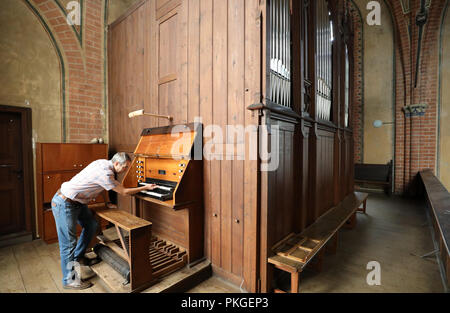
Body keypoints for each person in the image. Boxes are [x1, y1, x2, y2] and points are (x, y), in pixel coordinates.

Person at [51, 152, 157, 290]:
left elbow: (100, 186)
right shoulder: (105, 174)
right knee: (68, 243)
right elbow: (124, 191)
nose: (125, 171)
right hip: (65, 203)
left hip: (77, 202)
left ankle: (78, 257)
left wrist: (107, 202)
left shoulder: (102, 163)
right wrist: (146, 188)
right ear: (116, 163)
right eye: (125, 167)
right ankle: (69, 280)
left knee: (92, 225)